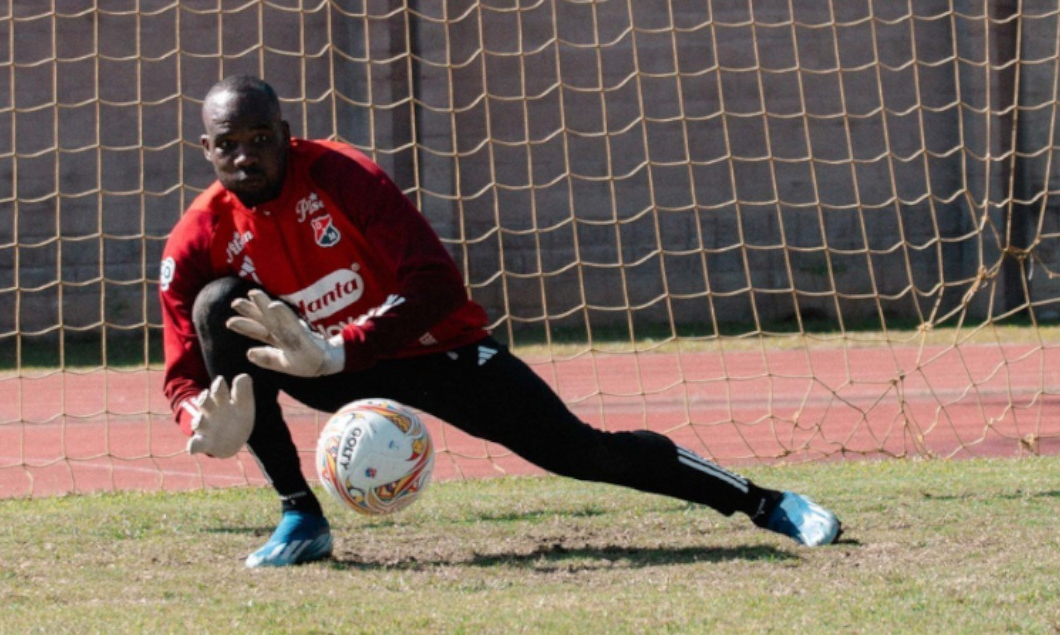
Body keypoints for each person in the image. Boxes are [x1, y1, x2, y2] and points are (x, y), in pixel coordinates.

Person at [159, 75, 841, 568]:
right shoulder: (199, 234)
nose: (247, 155)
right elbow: (182, 369)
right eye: (229, 144)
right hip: (314, 366)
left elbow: (435, 283)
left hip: (431, 349)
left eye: (260, 138)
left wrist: (340, 350)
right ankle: (300, 516)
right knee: (218, 305)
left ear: (285, 134)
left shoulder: (343, 175)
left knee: (583, 453)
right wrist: (203, 425)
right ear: (207, 149)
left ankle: (766, 503)